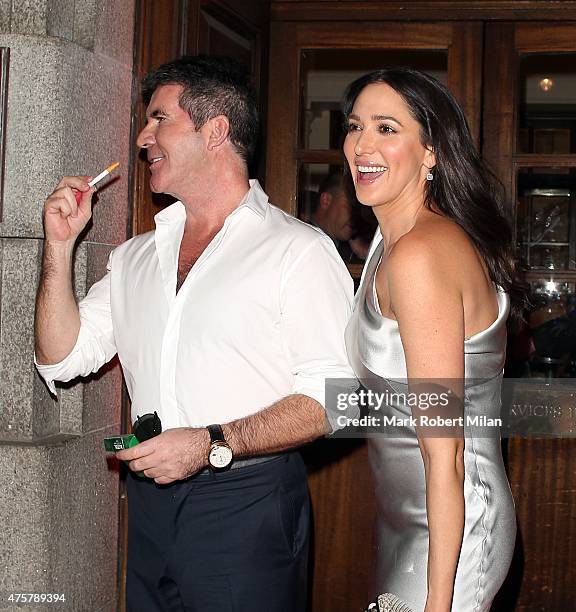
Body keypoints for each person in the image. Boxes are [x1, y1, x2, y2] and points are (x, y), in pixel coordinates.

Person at [34, 56, 354, 612]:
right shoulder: (135, 256)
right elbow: (60, 358)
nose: (142, 137)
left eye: (159, 119)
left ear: (216, 131)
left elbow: (336, 401)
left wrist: (210, 445)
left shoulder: (296, 250)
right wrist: (59, 249)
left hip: (247, 503)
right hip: (151, 504)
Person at [342, 68, 517, 612]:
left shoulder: (420, 255)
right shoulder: (388, 241)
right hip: (410, 518)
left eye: (387, 128)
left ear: (432, 153)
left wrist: (439, 603)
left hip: (452, 525)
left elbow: (447, 457)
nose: (361, 145)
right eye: (354, 126)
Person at [303, 173, 370, 263]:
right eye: (350, 205)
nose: (357, 214)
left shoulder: (352, 249)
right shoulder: (303, 241)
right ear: (326, 200)